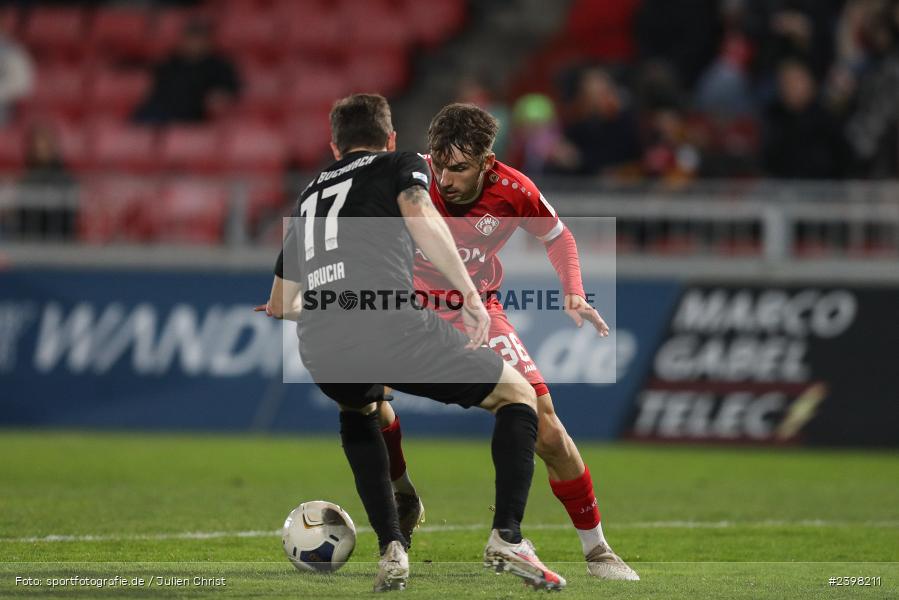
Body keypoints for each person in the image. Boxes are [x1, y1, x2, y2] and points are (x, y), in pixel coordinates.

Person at [256, 94, 566, 592]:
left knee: (360, 411)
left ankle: (392, 550)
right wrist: (467, 292)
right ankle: (507, 536)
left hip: (320, 345)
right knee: (517, 395)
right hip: (389, 323)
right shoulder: (400, 164)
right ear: (392, 139)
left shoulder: (311, 191)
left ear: (335, 146)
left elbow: (278, 303)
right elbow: (421, 215)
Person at [377, 103, 640, 581]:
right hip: (409, 308)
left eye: (458, 168)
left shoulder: (515, 189)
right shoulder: (412, 179)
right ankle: (403, 494)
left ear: (487, 162)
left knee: (547, 426)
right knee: (367, 400)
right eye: (439, 165)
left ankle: (597, 549)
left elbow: (560, 239)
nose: (446, 178)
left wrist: (574, 294)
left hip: (476, 310)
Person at [133, 18, 240, 124]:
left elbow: (229, 89)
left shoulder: (219, 66)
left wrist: (220, 96)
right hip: (162, 112)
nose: (193, 44)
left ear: (208, 42)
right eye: (190, 39)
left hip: (195, 116)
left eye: (198, 39)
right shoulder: (169, 63)